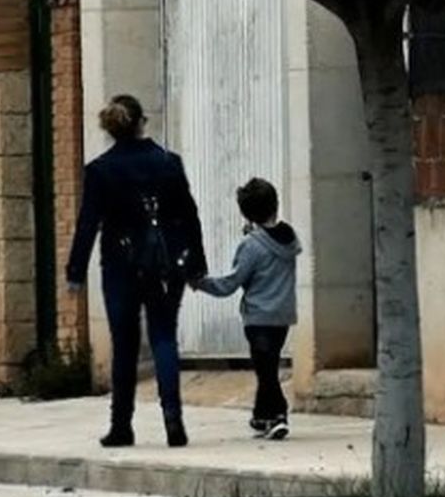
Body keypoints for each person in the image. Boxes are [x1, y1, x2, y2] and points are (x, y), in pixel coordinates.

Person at [65, 95, 207, 448]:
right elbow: (189, 215)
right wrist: (196, 265)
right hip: (165, 265)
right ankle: (173, 421)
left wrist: (75, 271)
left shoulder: (100, 170)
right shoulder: (169, 163)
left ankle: (121, 425)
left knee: (125, 345)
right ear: (143, 122)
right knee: (164, 337)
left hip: (120, 266)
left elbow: (88, 224)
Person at [192, 178, 302, 441]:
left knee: (266, 371)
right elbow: (270, 246)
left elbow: (230, 284)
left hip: (258, 317)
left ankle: (279, 416)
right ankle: (261, 415)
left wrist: (199, 282)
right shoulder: (290, 237)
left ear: (246, 213)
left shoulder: (251, 245)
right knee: (268, 365)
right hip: (283, 315)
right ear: (275, 204)